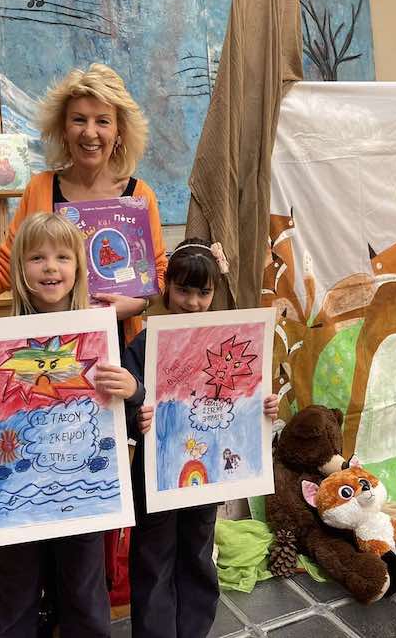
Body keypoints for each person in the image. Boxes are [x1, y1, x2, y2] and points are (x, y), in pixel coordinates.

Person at [0, 212, 136, 638]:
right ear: (19, 269)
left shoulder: (101, 335)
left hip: (85, 495)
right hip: (17, 499)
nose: (50, 267)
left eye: (62, 257)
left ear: (79, 268)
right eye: (37, 258)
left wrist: (133, 390)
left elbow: (121, 410)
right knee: (15, 598)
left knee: (85, 599)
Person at [0, 63, 167, 348]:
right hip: (46, 344)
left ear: (119, 131)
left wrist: (138, 304)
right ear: (63, 129)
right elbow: (6, 268)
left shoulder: (139, 195)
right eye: (79, 120)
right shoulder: (40, 188)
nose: (90, 132)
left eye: (103, 121)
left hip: (118, 344)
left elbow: (157, 274)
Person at [122, 237, 280, 638]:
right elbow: (123, 409)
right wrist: (136, 416)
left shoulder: (224, 342)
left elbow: (242, 399)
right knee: (153, 557)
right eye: (183, 290)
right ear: (167, 288)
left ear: (214, 292)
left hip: (206, 473)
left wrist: (263, 409)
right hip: (156, 474)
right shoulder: (144, 344)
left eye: (203, 293)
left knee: (197, 551)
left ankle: (193, 630)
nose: (192, 302)